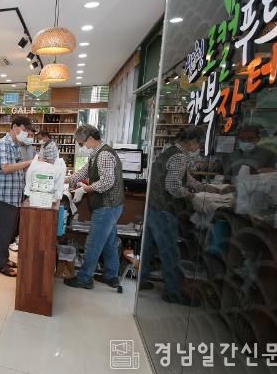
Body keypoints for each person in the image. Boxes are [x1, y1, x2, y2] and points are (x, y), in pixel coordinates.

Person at [139, 127, 217, 306]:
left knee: (147, 248)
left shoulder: (169, 150)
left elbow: (184, 177)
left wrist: (203, 187)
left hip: (153, 206)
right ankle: (173, 292)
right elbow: (173, 186)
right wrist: (191, 195)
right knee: (169, 252)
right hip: (164, 209)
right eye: (198, 143)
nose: (198, 147)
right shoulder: (180, 156)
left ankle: (141, 280)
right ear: (192, 141)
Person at [63, 124, 124, 289]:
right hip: (113, 205)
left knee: (94, 243)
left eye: (81, 143)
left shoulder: (103, 154)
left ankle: (84, 278)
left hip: (106, 206)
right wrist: (65, 179)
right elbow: (84, 172)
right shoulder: (97, 153)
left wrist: (86, 189)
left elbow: (107, 181)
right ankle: (111, 276)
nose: (81, 147)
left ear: (90, 139)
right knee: (109, 242)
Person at [0, 115, 34, 277]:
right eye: (24, 130)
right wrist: (29, 162)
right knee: (4, 231)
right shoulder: (3, 144)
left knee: (9, 232)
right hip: (5, 196)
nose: (26, 134)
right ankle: (0, 264)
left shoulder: (16, 146)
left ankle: (4, 258)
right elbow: (6, 168)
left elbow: (18, 168)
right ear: (15, 127)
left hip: (15, 196)